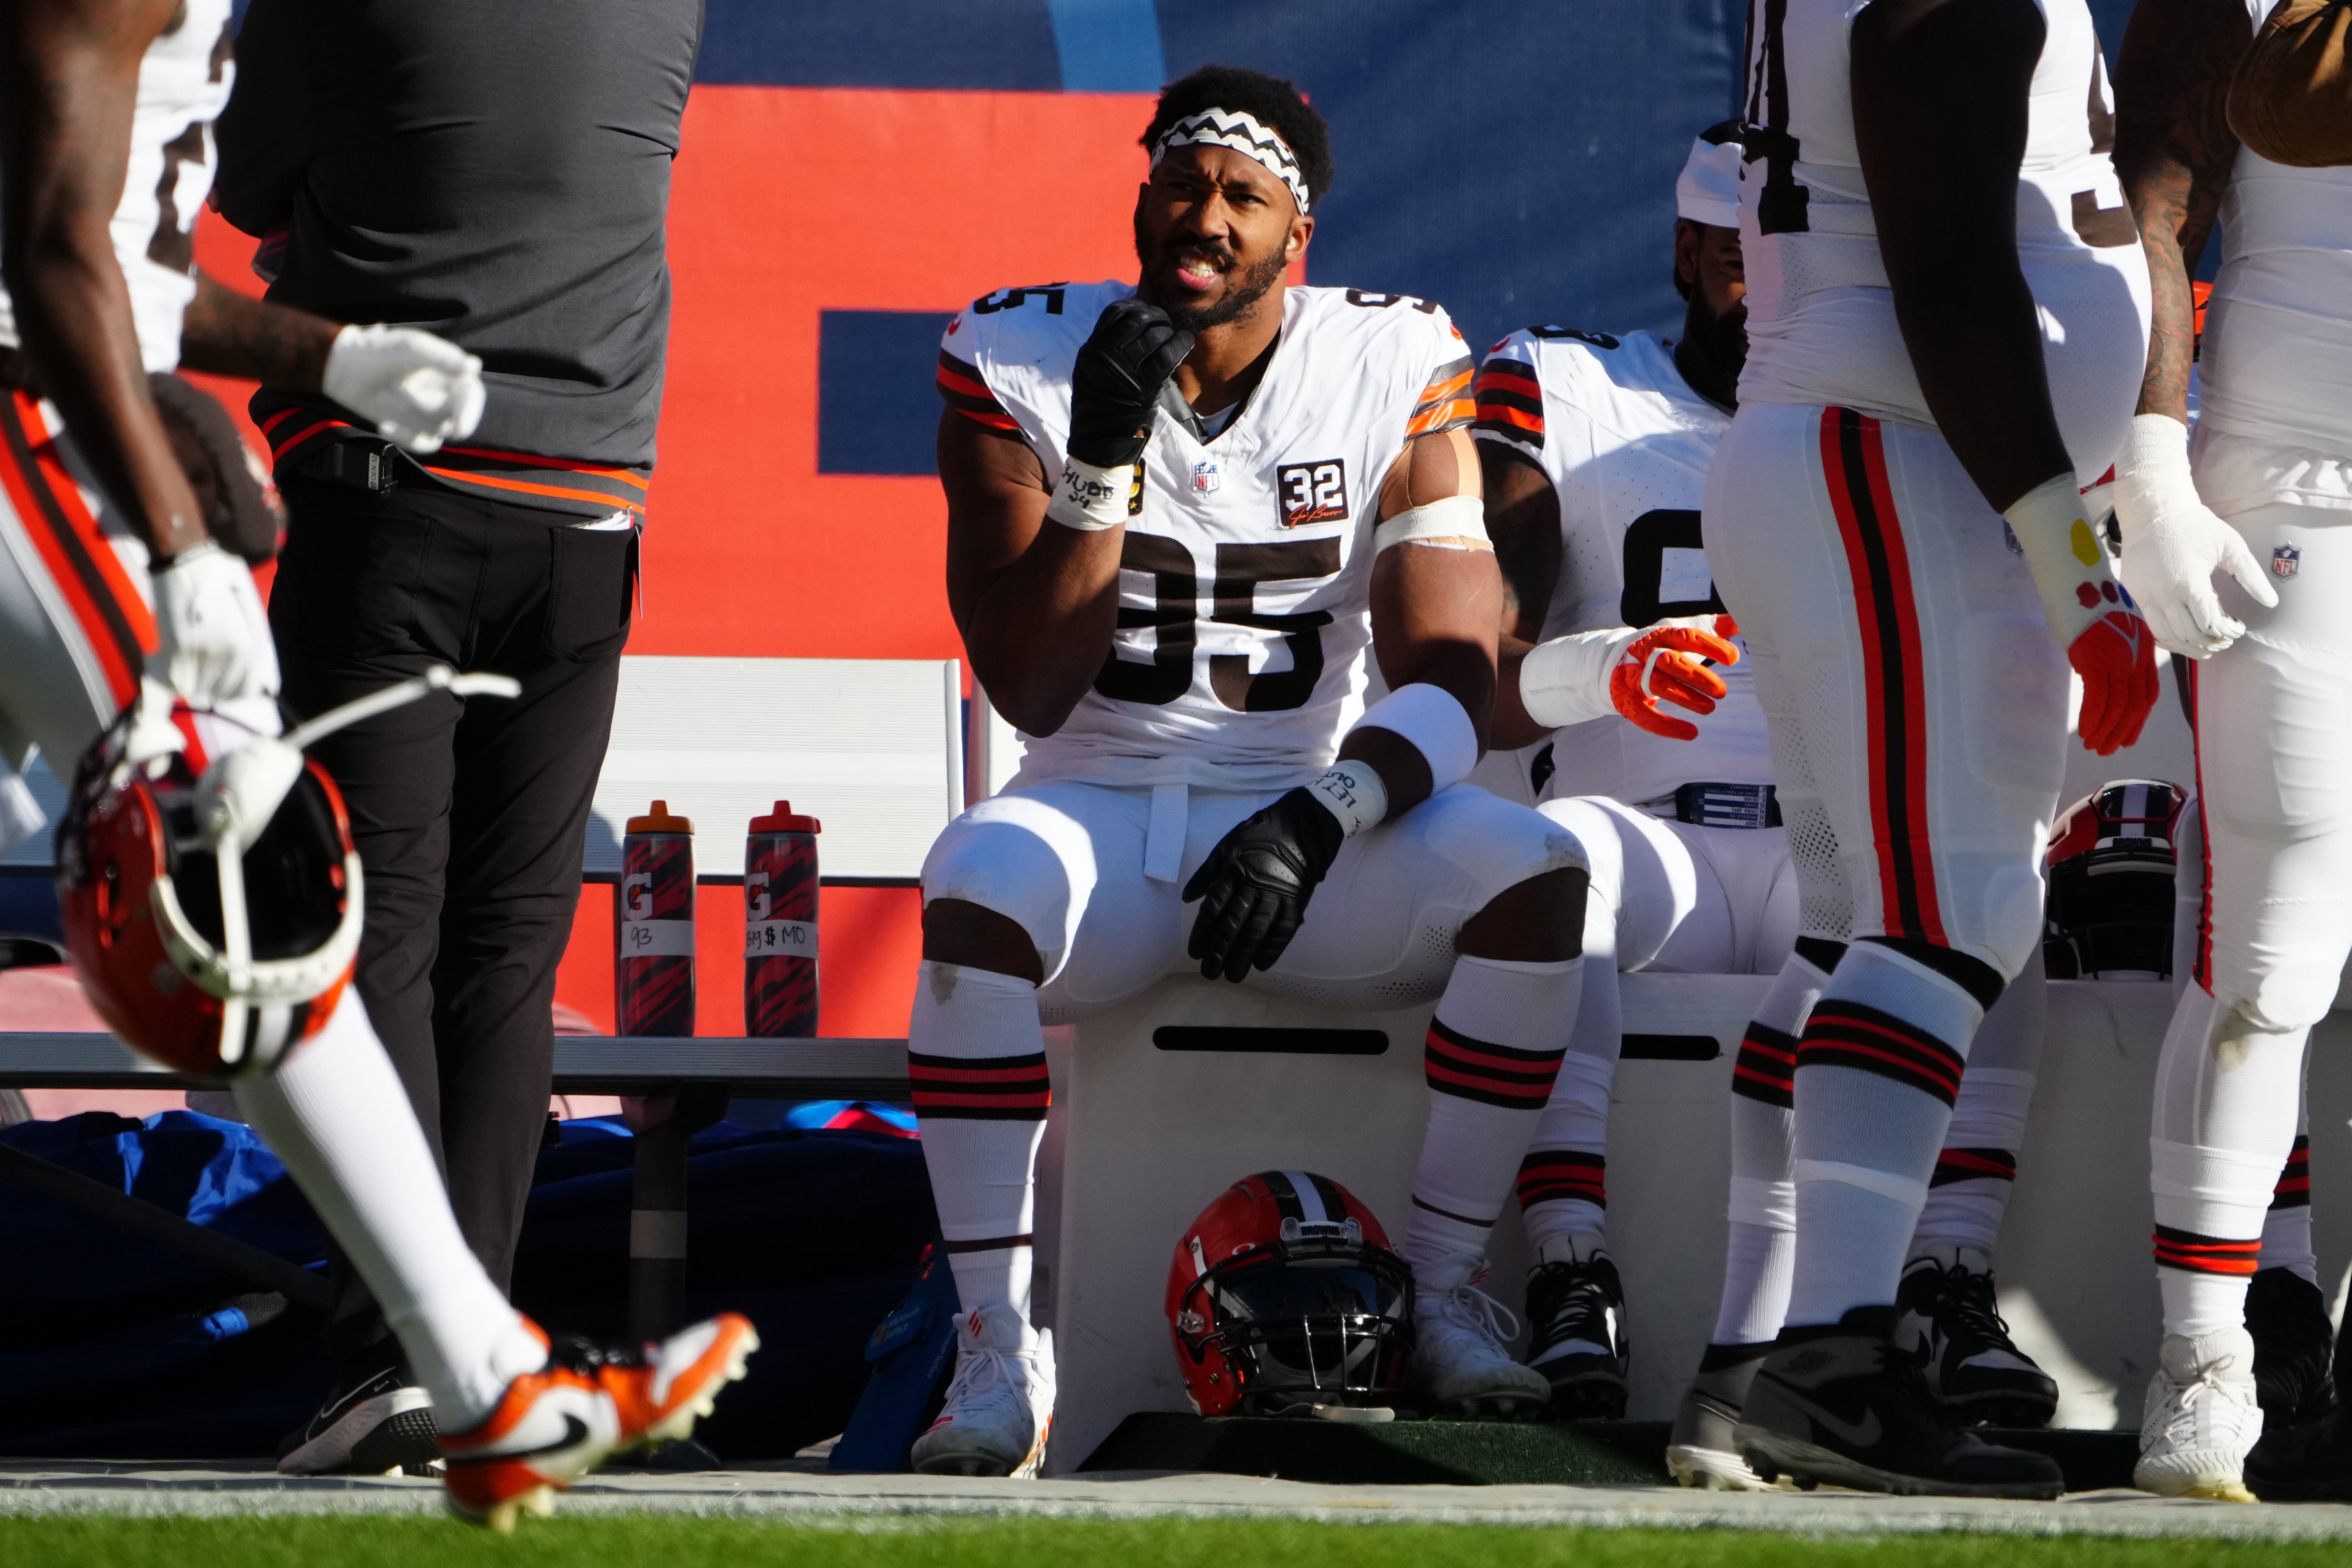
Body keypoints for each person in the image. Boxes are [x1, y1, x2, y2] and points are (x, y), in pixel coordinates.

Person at [0, 0, 750, 1527]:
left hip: (280, 461)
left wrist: (320, 346)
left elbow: (128, 262)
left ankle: (471, 1373)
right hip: (45, 422)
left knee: (297, 904)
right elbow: (54, 254)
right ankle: (470, 1368)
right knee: (290, 893)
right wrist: (177, 536)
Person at [915, 64, 1593, 1476]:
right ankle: (994, 1342)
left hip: (1302, 814)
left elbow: (1454, 669)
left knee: (1534, 875)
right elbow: (1031, 681)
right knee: (975, 884)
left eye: (1243, 196)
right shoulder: (1020, 357)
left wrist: (1328, 811)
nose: (1204, 217)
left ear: (1300, 236)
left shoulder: (1391, 360)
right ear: (1141, 195)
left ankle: (1449, 1284)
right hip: (1095, 797)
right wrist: (1104, 462)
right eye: (1180, 184)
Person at [1478, 124, 2057, 1464]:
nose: (1787, 289)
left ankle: (1946, 1281)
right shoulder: (1571, 390)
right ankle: (1571, 1265)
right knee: (1558, 860)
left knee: (1988, 899)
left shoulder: (1907, 413)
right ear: (1695, 252)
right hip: (1647, 842)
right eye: (1756, 259)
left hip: (1829, 847)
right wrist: (1599, 669)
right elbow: (1471, 665)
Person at [211, 0, 701, 1470]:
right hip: (588, 519)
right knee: (504, 954)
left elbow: (233, 184)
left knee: (380, 937)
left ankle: (402, 1359)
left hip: (393, 507)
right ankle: (474, 1353)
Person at [1701, 0, 2156, 1496]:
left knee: (1855, 926)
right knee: (1949, 916)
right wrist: (2075, 562)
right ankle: (1831, 1361)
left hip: (1881, 456)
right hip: (1897, 453)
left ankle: (1753, 1352)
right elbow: (1950, 273)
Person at [2112, 0, 2352, 1502]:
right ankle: (2204, 1367)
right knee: (2270, 954)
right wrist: (2150, 443)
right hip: (2295, 489)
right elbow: (2156, 198)